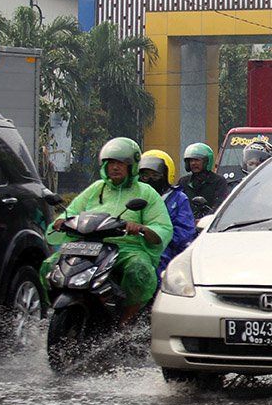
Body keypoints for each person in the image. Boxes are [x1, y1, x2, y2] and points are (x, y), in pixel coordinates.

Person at [43, 137, 173, 325]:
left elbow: (162, 227)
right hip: (87, 246)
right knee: (49, 265)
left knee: (139, 271)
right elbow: (72, 211)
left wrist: (142, 228)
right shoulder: (96, 188)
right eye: (111, 163)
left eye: (121, 163)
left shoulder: (146, 192)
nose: (115, 167)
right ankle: (53, 314)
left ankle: (126, 324)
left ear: (132, 166)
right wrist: (62, 220)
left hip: (127, 249)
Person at [138, 149, 196, 278]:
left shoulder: (178, 198)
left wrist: (158, 238)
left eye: (155, 175)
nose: (149, 180)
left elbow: (184, 233)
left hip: (166, 253)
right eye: (145, 176)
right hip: (136, 249)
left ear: (166, 175)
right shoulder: (135, 197)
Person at [178, 142, 229, 218]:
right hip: (186, 224)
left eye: (197, 160)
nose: (193, 163)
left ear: (207, 161)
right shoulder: (183, 182)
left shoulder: (219, 181)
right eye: (191, 160)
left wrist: (205, 219)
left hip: (209, 224)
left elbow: (220, 205)